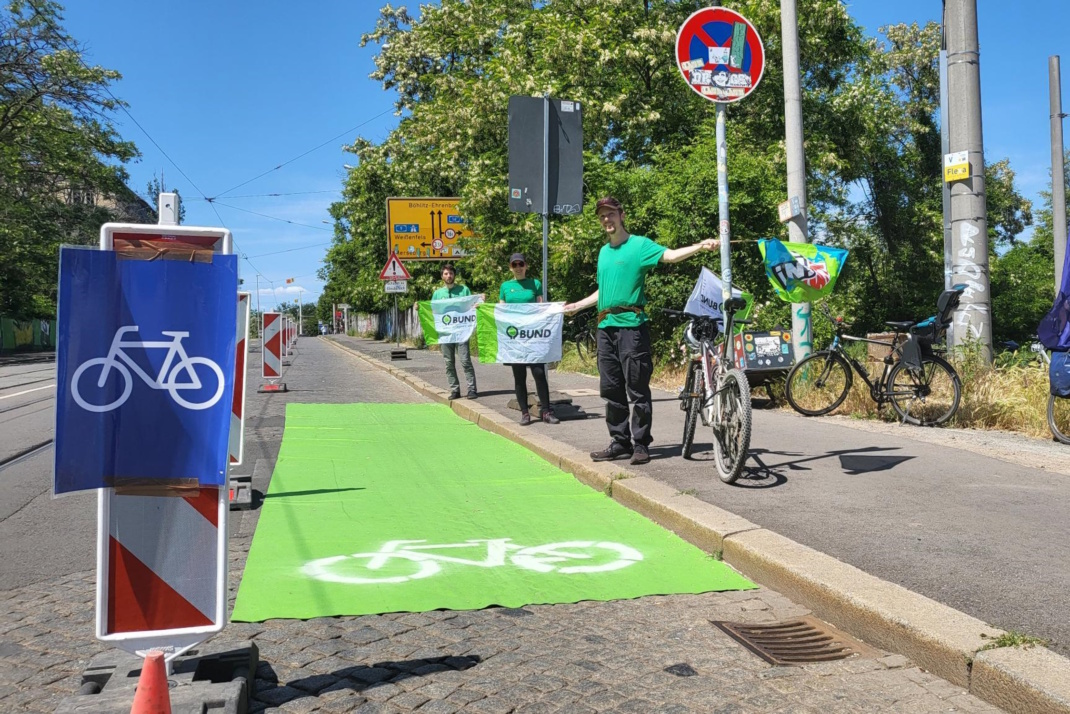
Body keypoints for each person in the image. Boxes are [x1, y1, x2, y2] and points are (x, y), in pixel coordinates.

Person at [563, 196, 719, 465]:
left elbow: (669, 256)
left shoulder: (639, 245)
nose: (606, 219)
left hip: (632, 328)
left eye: (610, 214)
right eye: (602, 216)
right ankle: (619, 442)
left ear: (621, 215)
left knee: (637, 388)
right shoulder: (603, 253)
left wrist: (699, 246)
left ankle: (641, 444)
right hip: (605, 327)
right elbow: (604, 291)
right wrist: (579, 305)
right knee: (611, 389)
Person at [499, 252, 561, 426]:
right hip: (515, 338)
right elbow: (500, 311)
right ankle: (525, 413)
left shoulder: (535, 283)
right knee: (519, 376)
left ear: (526, 266)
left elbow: (541, 308)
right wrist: (481, 307)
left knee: (539, 373)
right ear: (510, 268)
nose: (518, 268)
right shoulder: (505, 286)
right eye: (514, 265)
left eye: (521, 264)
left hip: (533, 336)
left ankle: (546, 411)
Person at [432, 263, 478, 400]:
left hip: (462, 332)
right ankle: (455, 390)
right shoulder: (437, 294)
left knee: (465, 360)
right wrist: (418, 307)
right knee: (449, 362)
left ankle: (472, 389)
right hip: (445, 334)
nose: (449, 276)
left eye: (451, 273)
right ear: (442, 276)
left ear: (454, 275)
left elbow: (472, 306)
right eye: (446, 273)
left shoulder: (464, 290)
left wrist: (479, 302)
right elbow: (431, 310)